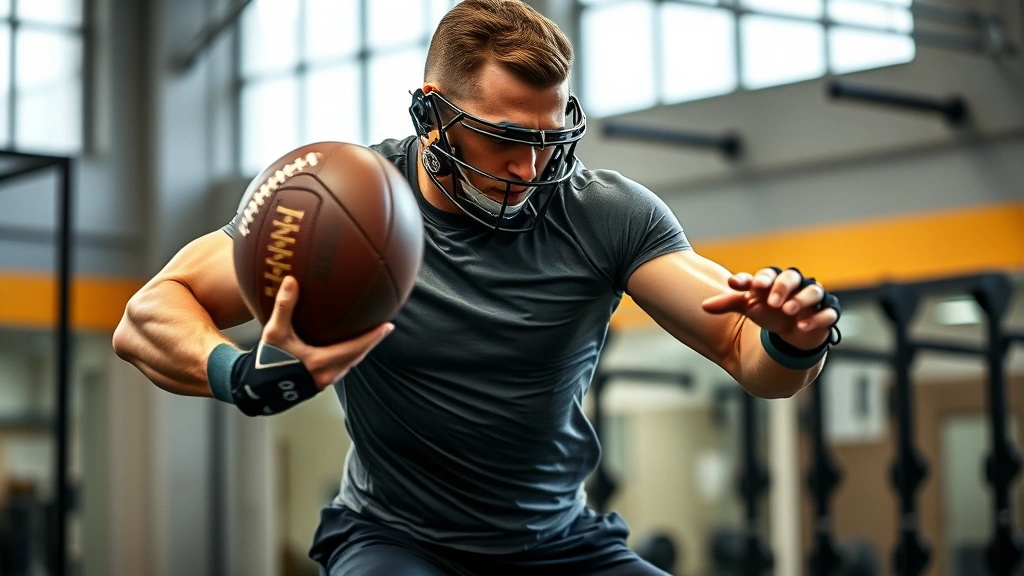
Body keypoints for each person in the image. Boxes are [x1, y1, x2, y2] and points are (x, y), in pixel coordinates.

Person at [112, 1, 841, 574]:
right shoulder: (344, 202)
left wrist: (791, 337)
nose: (530, 171)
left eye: (548, 139)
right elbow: (148, 314)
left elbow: (747, 351)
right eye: (505, 139)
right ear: (433, 112)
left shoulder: (604, 214)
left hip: (561, 543)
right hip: (396, 541)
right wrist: (236, 374)